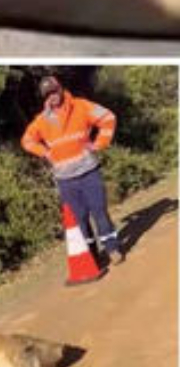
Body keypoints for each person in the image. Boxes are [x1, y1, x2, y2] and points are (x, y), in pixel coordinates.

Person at [21, 75, 124, 266]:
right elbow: (27, 141)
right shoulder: (41, 121)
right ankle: (91, 258)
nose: (52, 96)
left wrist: (99, 143)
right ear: (44, 97)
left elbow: (108, 118)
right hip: (65, 179)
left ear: (60, 88)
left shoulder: (81, 106)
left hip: (89, 171)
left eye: (54, 91)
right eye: (47, 94)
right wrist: (44, 152)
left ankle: (112, 248)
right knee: (79, 220)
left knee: (99, 212)